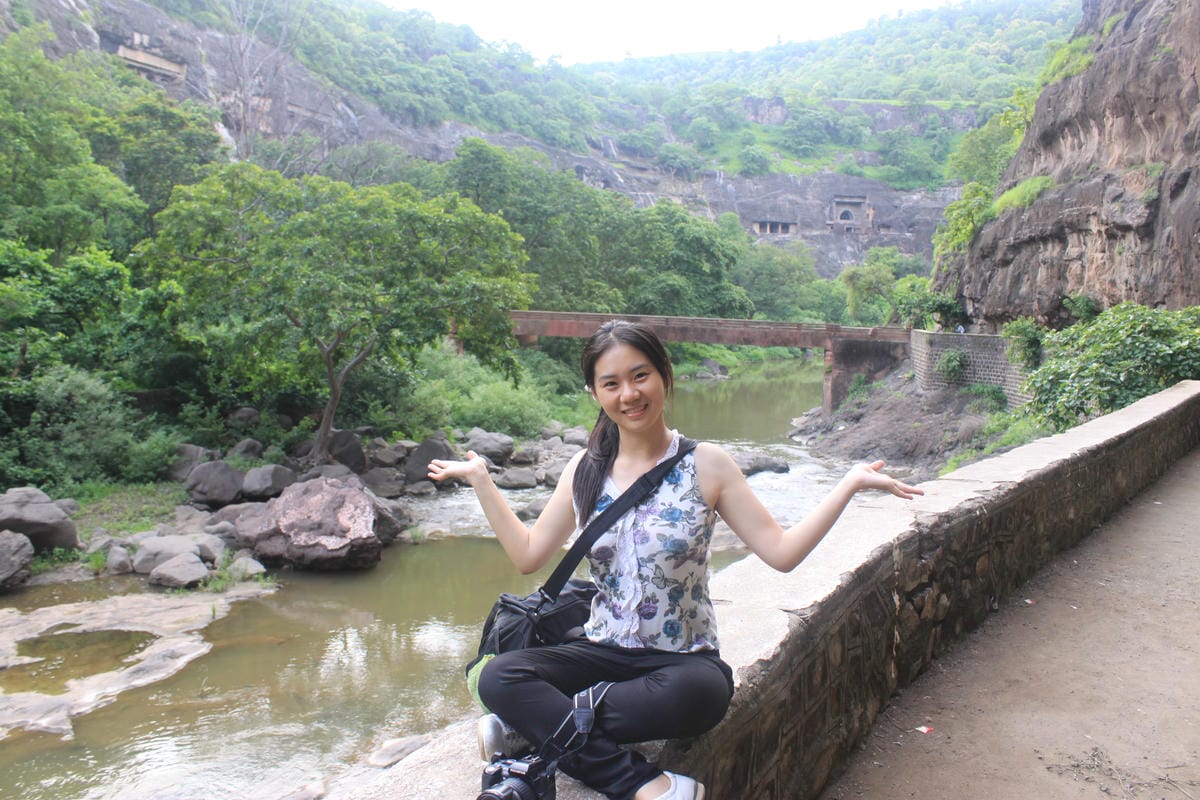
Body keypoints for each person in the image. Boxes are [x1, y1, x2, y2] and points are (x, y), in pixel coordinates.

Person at [428, 320, 923, 800]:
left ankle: (528, 730)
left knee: (704, 695)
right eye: (612, 383)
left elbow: (782, 553)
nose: (630, 394)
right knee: (499, 675)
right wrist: (482, 481)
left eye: (640, 375)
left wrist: (848, 484)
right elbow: (528, 555)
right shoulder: (584, 470)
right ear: (594, 394)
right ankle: (644, 786)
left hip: (679, 661)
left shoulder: (706, 464)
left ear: (665, 374)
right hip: (600, 652)